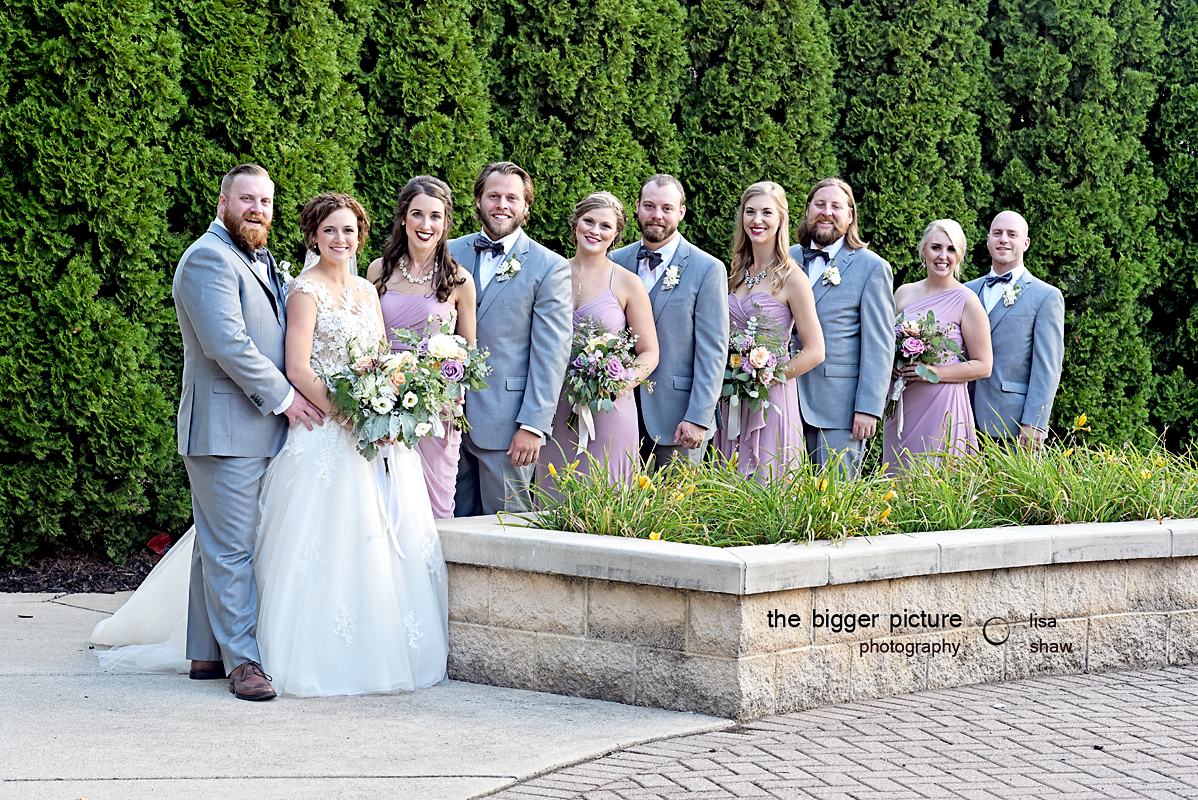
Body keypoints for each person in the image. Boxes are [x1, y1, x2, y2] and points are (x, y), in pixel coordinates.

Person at [93, 192, 450, 698]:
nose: (340, 240)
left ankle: (208, 654)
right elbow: (291, 362)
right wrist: (348, 412)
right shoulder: (293, 286)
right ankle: (240, 660)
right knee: (246, 545)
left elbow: (376, 357)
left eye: (349, 231)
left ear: (362, 236)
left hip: (366, 437)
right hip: (321, 427)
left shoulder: (366, 291)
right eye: (329, 231)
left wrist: (388, 404)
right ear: (312, 236)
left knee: (248, 543)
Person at [168, 163, 324, 700]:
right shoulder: (208, 258)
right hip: (226, 427)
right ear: (222, 202)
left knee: (214, 545)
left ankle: (206, 655)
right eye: (247, 200)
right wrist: (287, 400)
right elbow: (227, 344)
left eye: (265, 202)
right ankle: (245, 664)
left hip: (251, 429)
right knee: (233, 549)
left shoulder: (258, 259)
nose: (258, 209)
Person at [449, 162, 573, 515]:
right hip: (446, 420)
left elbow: (552, 353)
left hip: (507, 426)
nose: (501, 204)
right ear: (478, 201)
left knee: (506, 532)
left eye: (511, 198)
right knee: (445, 527)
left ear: (525, 207)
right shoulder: (449, 252)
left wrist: (533, 425)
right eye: (493, 196)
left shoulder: (549, 266)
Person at [367, 176, 477, 519]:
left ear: (445, 223)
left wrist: (450, 388)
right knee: (385, 504)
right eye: (417, 214)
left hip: (436, 410)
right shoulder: (377, 272)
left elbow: (469, 350)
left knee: (434, 508)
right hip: (383, 402)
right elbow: (367, 339)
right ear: (403, 217)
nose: (425, 225)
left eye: (435, 216)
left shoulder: (459, 280)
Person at [536, 192, 659, 495]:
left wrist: (619, 382)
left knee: (606, 500)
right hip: (557, 406)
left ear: (616, 234)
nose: (595, 231)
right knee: (553, 497)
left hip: (609, 408)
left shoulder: (628, 282)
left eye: (605, 226)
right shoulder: (549, 274)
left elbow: (650, 352)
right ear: (575, 223)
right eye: (588, 221)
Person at [610, 175, 729, 467]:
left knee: (677, 510)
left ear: (681, 212)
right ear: (637, 207)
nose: (657, 216)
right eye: (649, 206)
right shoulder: (614, 261)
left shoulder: (707, 269)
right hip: (617, 412)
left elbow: (713, 350)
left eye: (666, 208)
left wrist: (699, 417)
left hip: (679, 419)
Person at [713, 182, 824, 478]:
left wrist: (767, 377)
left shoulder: (792, 278)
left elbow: (815, 351)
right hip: (733, 398)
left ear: (780, 220)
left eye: (766, 212)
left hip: (772, 398)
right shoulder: (734, 274)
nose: (757, 220)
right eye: (750, 212)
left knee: (770, 480)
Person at [788, 178, 894, 478]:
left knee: (834, 502)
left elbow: (879, 346)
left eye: (836, 206)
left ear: (850, 217)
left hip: (840, 409)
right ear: (808, 210)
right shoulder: (784, 258)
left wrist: (869, 408)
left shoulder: (872, 267)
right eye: (820, 204)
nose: (826, 212)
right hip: (783, 400)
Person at [883, 219, 992, 472]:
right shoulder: (903, 293)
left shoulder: (968, 301)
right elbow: (886, 345)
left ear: (960, 255)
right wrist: (892, 366)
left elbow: (983, 366)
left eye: (951, 249)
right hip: (902, 404)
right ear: (923, 251)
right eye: (936, 248)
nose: (943, 256)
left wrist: (933, 373)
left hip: (943, 406)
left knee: (934, 485)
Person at [964, 211, 1065, 446]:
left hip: (1013, 424)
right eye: (997, 233)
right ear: (988, 240)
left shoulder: (1045, 296)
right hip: (962, 418)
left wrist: (1035, 422)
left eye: (1012, 234)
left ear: (1026, 243)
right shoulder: (966, 291)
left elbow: (1047, 367)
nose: (1004, 240)